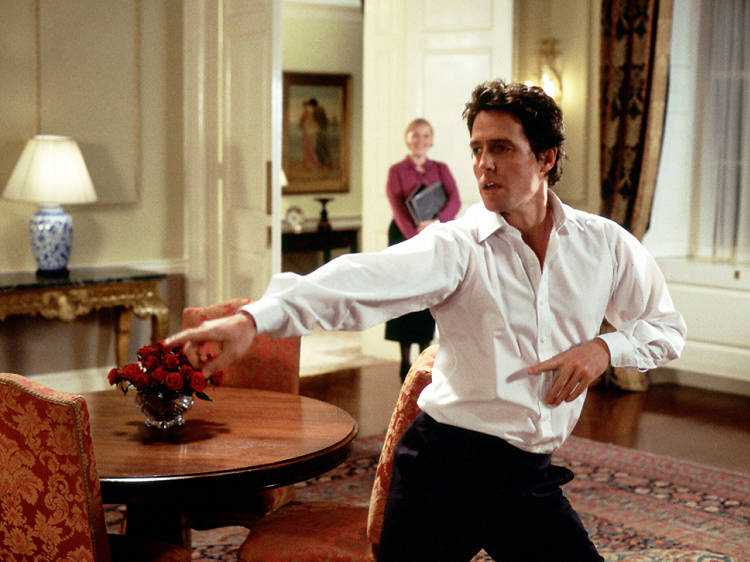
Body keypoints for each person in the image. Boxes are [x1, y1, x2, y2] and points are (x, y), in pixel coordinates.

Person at [165, 79, 686, 561]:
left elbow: (666, 330)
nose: (484, 165)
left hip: (527, 480)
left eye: (501, 148)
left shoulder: (604, 245)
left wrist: (603, 349)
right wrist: (253, 321)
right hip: (444, 476)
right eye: (477, 149)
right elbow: (358, 281)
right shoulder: (458, 245)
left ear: (546, 157)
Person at [385, 118, 461, 381]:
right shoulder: (396, 171)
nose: (420, 140)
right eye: (415, 135)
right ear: (407, 138)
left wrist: (437, 223)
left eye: (425, 135)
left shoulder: (440, 169)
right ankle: (404, 360)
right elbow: (397, 207)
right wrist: (415, 237)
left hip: (434, 235)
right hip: (404, 236)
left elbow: (455, 200)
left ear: (431, 140)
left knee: (427, 292)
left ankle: (424, 357)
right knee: (404, 294)